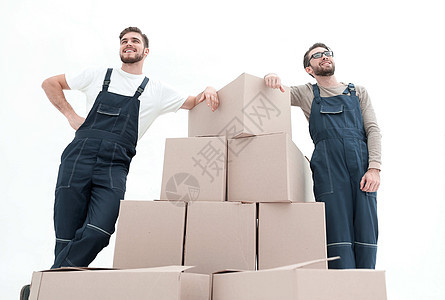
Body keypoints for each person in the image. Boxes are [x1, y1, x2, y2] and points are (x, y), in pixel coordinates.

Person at [42, 27, 218, 270]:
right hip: (78, 158)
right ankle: (54, 291)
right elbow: (50, 83)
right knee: (65, 236)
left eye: (135, 41)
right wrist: (71, 115)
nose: (128, 44)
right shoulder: (97, 75)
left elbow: (194, 102)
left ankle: (46, 281)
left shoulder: (156, 90)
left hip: (114, 166)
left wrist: (208, 89)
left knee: (99, 231)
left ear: (145, 51)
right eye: (124, 41)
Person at [264, 43, 381, 269]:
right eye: (317, 56)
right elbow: (275, 93)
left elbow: (373, 129)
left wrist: (374, 167)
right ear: (309, 68)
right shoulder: (307, 93)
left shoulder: (358, 92)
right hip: (329, 170)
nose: (324, 57)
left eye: (327, 53)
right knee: (337, 234)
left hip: (361, 169)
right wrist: (271, 76)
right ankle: (340, 290)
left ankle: (367, 289)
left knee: (366, 232)